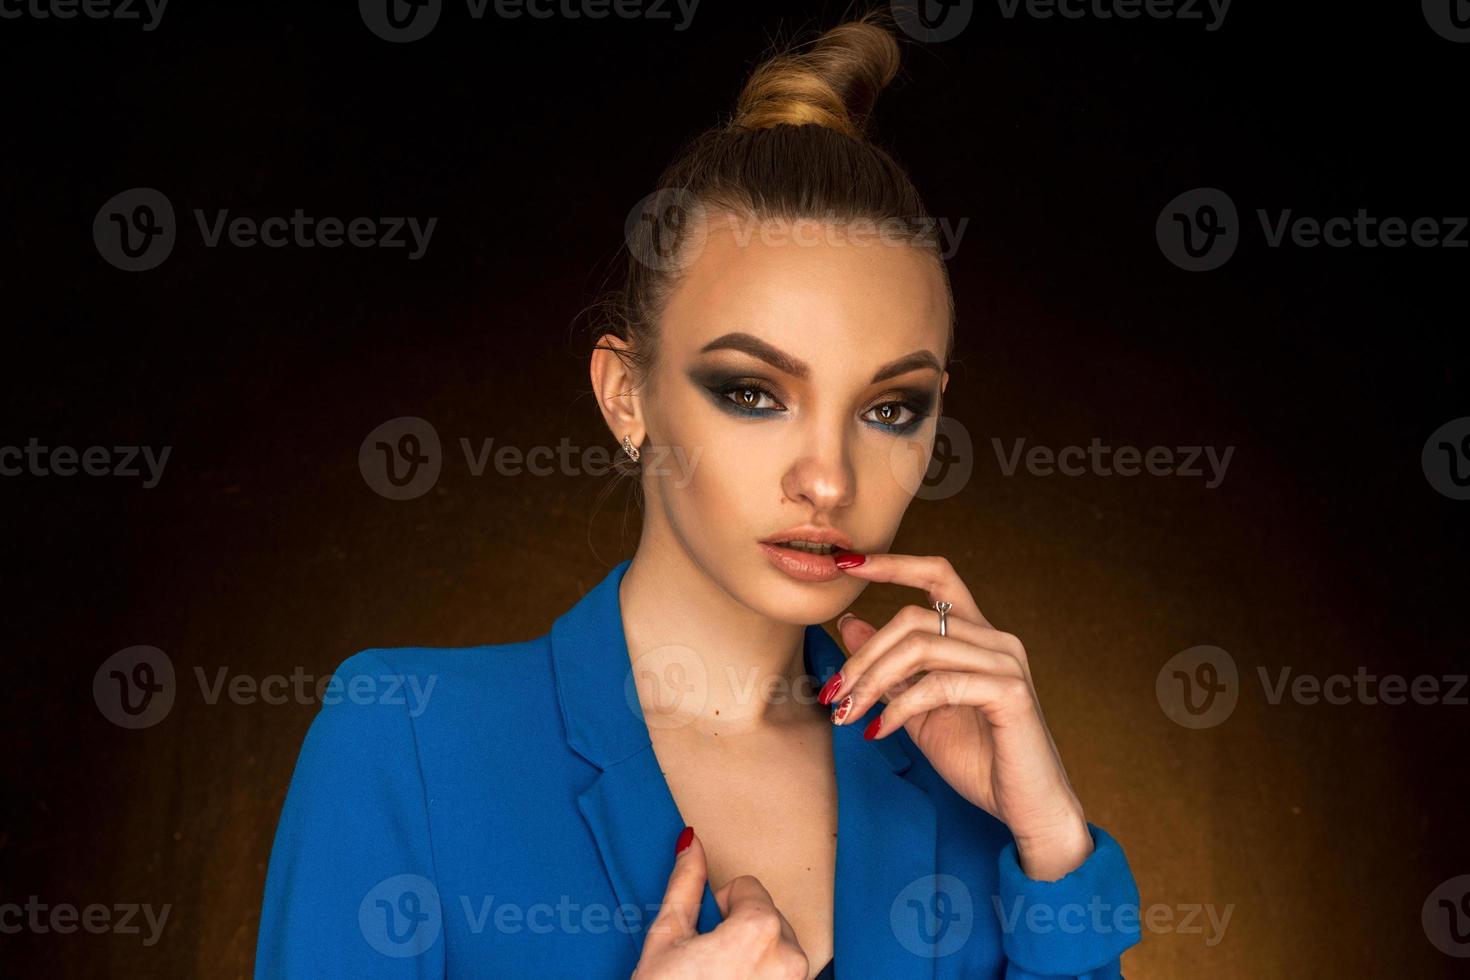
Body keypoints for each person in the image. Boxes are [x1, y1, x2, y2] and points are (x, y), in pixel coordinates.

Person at [255, 11, 1141, 978]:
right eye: (754, 393)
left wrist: (1052, 842)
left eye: (891, 409)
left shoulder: (964, 798)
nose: (830, 478)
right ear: (626, 395)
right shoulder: (410, 741)